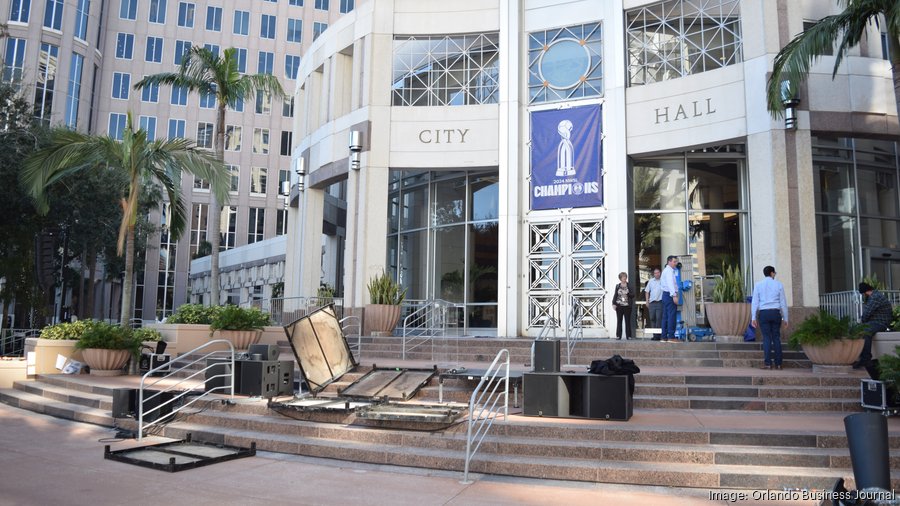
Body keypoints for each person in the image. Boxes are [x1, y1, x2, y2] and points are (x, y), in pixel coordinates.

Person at [750, 265, 788, 370]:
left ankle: (768, 364)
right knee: (776, 338)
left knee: (766, 338)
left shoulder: (758, 285)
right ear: (771, 273)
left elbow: (755, 302)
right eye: (774, 273)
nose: (775, 274)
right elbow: (783, 303)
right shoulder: (779, 285)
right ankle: (779, 364)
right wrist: (786, 318)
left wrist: (753, 317)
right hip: (776, 313)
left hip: (764, 313)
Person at [853, 282, 893, 369]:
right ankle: (858, 357)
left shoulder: (875, 297)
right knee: (857, 329)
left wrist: (862, 322)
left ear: (865, 292)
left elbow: (867, 313)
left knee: (866, 331)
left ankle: (866, 359)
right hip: (875, 322)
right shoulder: (874, 296)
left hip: (881, 323)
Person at [660, 255, 679, 342]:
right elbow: (670, 284)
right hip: (669, 295)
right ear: (669, 261)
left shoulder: (666, 270)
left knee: (665, 317)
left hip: (665, 295)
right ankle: (671, 336)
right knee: (671, 316)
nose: (676, 263)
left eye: (676, 261)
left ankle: (664, 337)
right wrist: (674, 295)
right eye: (674, 261)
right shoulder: (669, 271)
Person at [612, 272, 634, 340]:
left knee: (627, 321)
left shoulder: (629, 285)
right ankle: (618, 335)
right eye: (623, 277)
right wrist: (613, 303)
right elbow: (615, 295)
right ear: (620, 278)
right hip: (619, 306)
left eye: (625, 277)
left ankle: (629, 336)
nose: (624, 278)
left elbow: (633, 295)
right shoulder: (617, 286)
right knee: (619, 321)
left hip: (627, 306)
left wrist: (628, 293)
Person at [644, 268, 663, 340]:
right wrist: (647, 301)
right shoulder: (651, 281)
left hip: (660, 302)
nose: (657, 274)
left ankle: (659, 335)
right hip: (652, 303)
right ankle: (654, 335)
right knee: (652, 318)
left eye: (658, 272)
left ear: (660, 273)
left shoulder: (663, 280)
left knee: (658, 319)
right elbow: (647, 291)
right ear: (653, 274)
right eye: (655, 273)